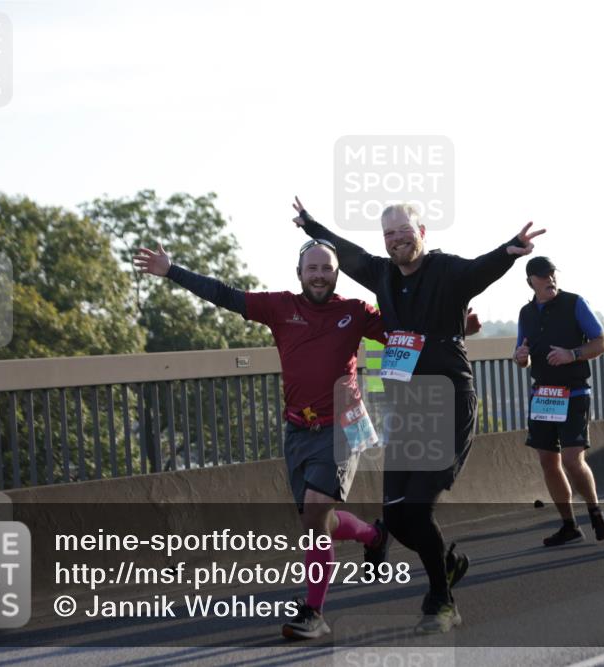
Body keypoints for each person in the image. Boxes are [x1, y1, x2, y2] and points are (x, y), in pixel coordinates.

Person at [292, 196, 545, 634]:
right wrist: (310, 224)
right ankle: (446, 564)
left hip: (448, 404)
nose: (396, 241)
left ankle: (441, 602)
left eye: (404, 233)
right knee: (395, 518)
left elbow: (478, 270)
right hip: (407, 408)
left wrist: (511, 248)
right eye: (388, 235)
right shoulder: (383, 275)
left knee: (417, 509)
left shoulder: (446, 271)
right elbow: (347, 253)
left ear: (422, 233)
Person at [133, 240, 390, 640]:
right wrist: (172, 270)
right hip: (297, 430)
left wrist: (455, 325)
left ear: (337, 273)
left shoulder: (355, 312)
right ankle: (373, 535)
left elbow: (404, 332)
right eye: (312, 268)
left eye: (327, 268)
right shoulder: (280, 307)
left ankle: (314, 612)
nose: (319, 275)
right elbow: (224, 295)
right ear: (300, 273)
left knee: (314, 519)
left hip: (343, 424)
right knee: (315, 519)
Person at [513, 257, 604, 546]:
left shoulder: (574, 303)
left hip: (574, 392)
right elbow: (522, 354)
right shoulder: (526, 313)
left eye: (553, 275)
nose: (550, 280)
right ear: (530, 281)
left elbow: (603, 342)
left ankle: (595, 511)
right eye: (543, 277)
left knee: (572, 459)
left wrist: (572, 354)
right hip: (543, 395)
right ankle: (569, 525)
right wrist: (521, 358)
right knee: (548, 461)